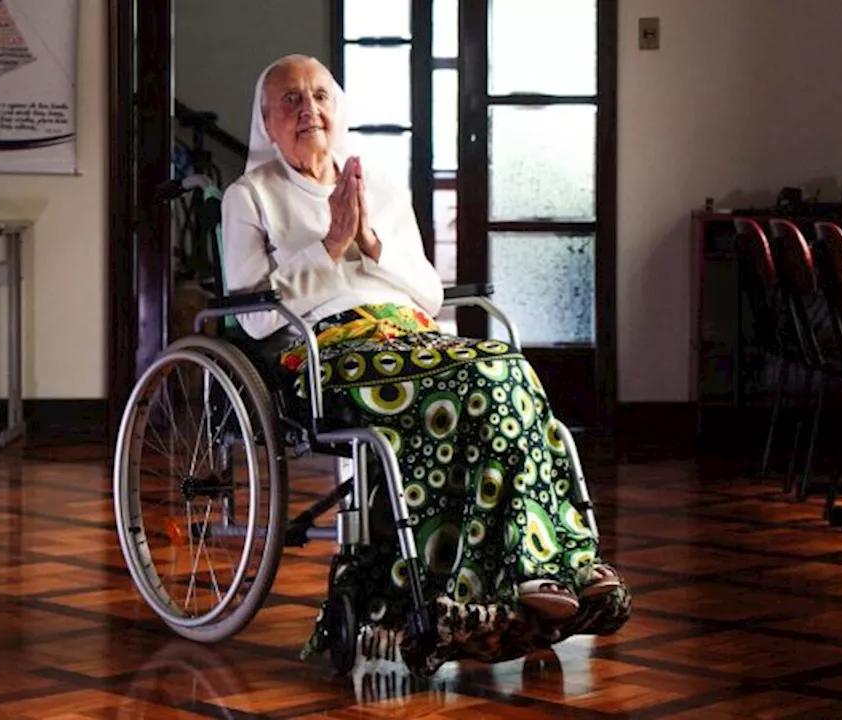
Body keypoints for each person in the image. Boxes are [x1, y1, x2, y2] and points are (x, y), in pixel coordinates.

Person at [221, 54, 629, 674]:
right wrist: (330, 244)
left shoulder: (378, 185)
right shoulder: (249, 196)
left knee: (501, 367)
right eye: (291, 101)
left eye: (320, 96)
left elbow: (429, 293)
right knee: (477, 376)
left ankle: (554, 565)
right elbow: (253, 316)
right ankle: (482, 586)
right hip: (325, 352)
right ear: (267, 124)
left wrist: (371, 243)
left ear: (339, 109)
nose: (309, 110)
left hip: (409, 338)